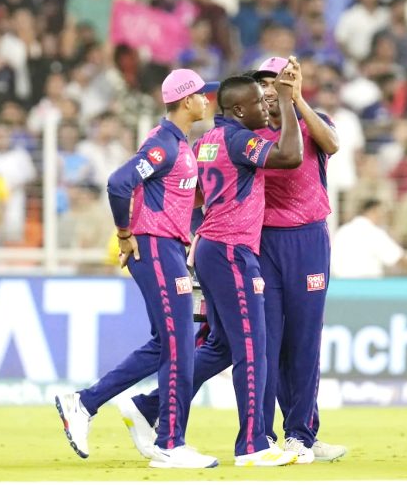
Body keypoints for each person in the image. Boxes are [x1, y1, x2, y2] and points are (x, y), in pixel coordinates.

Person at [124, 65, 305, 467]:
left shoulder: (210, 139)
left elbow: (202, 194)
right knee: (253, 348)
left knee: (221, 346)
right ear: (239, 110)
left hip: (215, 246)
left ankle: (150, 406)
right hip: (231, 251)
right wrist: (290, 103)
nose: (267, 106)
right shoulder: (241, 140)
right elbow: (291, 156)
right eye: (258, 102)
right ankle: (253, 445)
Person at [54, 68, 220, 469]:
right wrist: (125, 234)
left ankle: (84, 402)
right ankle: (169, 443)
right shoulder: (164, 144)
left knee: (167, 343)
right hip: (156, 247)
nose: (206, 101)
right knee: (179, 343)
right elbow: (118, 183)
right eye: (201, 95)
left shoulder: (178, 144)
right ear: (185, 101)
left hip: (167, 247)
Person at [250, 56, 346, 463]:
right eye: (265, 82)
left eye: (278, 81)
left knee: (305, 341)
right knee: (269, 342)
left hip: (308, 238)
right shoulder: (248, 131)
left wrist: (299, 100)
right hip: (263, 241)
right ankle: (270, 437)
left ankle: (302, 434)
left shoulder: (312, 119)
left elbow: (333, 144)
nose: (271, 88)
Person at [332, 199, 407, 278]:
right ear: (373, 211)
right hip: (367, 285)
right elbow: (399, 259)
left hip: (341, 284)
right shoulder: (373, 232)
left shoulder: (342, 230)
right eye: (383, 212)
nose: (384, 217)